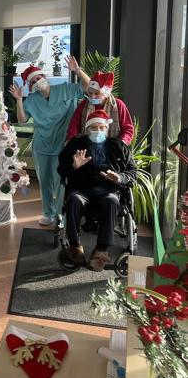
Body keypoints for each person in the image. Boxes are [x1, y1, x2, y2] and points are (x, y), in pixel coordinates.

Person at [9, 58, 91, 226]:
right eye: (33, 81)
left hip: (63, 145)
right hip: (42, 146)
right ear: (31, 86)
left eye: (38, 78)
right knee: (45, 181)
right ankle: (48, 213)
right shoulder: (31, 100)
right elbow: (23, 120)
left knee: (61, 181)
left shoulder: (65, 89)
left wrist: (77, 70)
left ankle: (61, 213)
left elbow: (89, 87)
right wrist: (19, 100)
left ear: (44, 76)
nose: (37, 82)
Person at [57, 110, 136, 271]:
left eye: (101, 127)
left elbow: (133, 172)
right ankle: (74, 246)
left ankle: (101, 250)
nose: (98, 131)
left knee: (112, 201)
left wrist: (119, 178)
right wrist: (74, 166)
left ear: (107, 129)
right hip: (81, 190)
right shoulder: (75, 145)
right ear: (86, 129)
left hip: (108, 191)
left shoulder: (118, 147)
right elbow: (61, 170)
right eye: (94, 127)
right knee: (73, 199)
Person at [66, 71, 134, 144]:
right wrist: (71, 141)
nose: (92, 96)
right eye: (90, 93)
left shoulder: (118, 105)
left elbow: (128, 128)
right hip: (87, 147)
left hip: (113, 149)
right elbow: (74, 125)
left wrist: (122, 143)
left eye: (96, 93)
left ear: (106, 93)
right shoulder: (83, 105)